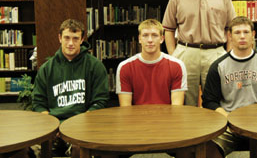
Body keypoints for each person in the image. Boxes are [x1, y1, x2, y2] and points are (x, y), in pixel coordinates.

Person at [202, 16, 257, 158]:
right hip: (229, 125)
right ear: (229, 36)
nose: (242, 36)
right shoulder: (218, 66)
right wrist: (229, 118)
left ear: (253, 35)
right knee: (207, 146)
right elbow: (209, 101)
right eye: (237, 32)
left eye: (246, 32)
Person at [162, 0, 236, 106]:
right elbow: (168, 28)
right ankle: (189, 131)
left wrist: (228, 54)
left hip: (216, 52)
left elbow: (232, 27)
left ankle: (218, 129)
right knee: (186, 99)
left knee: (217, 96)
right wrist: (173, 55)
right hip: (187, 52)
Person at [32, 19, 109, 157]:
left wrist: (75, 126)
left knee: (79, 149)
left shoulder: (95, 66)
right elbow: (39, 103)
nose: (71, 43)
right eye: (67, 38)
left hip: (82, 126)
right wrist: (51, 126)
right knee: (24, 151)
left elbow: (100, 102)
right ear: (60, 38)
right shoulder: (46, 69)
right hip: (53, 127)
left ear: (82, 39)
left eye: (75, 38)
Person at [116, 19, 187, 105]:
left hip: (167, 117)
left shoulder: (177, 66)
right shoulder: (125, 67)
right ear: (139, 39)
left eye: (154, 35)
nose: (150, 40)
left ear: (162, 39)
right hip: (136, 118)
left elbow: (176, 108)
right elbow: (125, 109)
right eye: (145, 35)